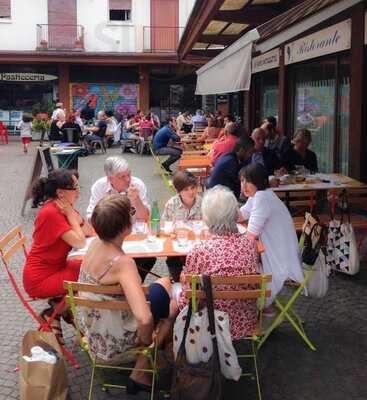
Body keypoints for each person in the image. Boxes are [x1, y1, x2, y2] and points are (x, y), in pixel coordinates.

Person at [79, 194, 177, 392]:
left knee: (164, 282)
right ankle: (142, 366)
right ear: (125, 227)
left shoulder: (94, 245)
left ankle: (146, 365)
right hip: (115, 335)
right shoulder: (123, 264)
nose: (134, 215)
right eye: (131, 213)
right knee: (173, 305)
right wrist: (146, 341)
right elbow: (144, 319)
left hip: (94, 327)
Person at [178, 186, 260, 340]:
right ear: (235, 214)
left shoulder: (200, 251)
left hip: (210, 323)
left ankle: (174, 343)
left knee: (174, 291)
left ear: (207, 218)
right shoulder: (251, 245)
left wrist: (184, 278)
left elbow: (188, 301)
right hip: (246, 321)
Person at [23, 169, 94, 341]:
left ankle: (59, 308)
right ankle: (55, 312)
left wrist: (75, 217)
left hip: (57, 268)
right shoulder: (52, 213)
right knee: (92, 275)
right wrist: (71, 215)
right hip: (40, 278)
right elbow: (80, 242)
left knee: (91, 267)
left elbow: (89, 231)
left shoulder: (62, 206)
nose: (78, 191)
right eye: (75, 187)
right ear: (61, 193)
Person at [239, 163, 304, 312]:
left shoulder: (262, 197)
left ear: (258, 181)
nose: (244, 185)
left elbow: (250, 236)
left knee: (242, 267)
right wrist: (220, 217)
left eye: (248, 181)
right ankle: (263, 308)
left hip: (280, 260)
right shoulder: (260, 194)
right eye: (242, 181)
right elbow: (242, 214)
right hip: (279, 252)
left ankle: (257, 310)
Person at [86, 156, 154, 280]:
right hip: (109, 234)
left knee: (149, 257)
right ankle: (125, 282)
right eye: (122, 176)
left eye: (129, 174)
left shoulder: (137, 184)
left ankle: (132, 280)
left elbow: (145, 218)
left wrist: (136, 200)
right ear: (110, 178)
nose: (128, 179)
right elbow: (91, 218)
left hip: (132, 233)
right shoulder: (99, 187)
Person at [161, 171, 202, 282]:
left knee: (201, 259)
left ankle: (197, 283)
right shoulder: (171, 204)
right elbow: (164, 226)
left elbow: (208, 226)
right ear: (178, 191)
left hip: (197, 243)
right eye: (186, 189)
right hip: (178, 243)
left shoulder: (203, 203)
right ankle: (176, 280)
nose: (191, 192)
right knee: (172, 259)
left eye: (193, 188)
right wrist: (173, 231)